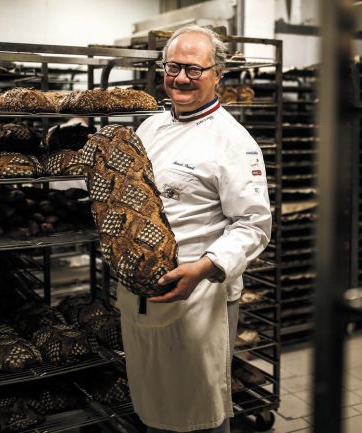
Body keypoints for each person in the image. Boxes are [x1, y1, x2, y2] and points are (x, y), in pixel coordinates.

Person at [115, 25, 272, 433]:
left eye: (193, 69)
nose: (180, 78)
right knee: (152, 404)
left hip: (199, 295)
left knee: (200, 409)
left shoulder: (233, 141)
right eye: (172, 67)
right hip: (141, 294)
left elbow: (254, 226)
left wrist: (201, 269)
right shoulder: (149, 128)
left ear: (218, 73)